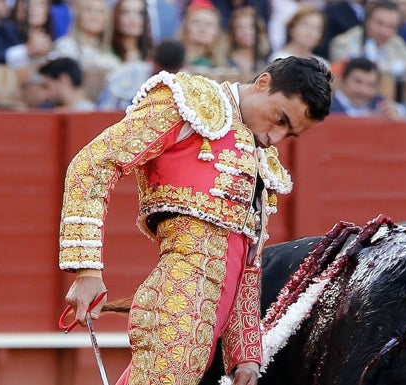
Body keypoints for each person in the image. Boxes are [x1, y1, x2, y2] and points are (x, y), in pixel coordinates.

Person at [58, 56, 332, 385]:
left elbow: (246, 261)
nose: (275, 136)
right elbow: (92, 164)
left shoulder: (259, 163)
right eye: (279, 118)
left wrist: (245, 353)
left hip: (204, 328)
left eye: (289, 133)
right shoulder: (191, 104)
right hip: (175, 306)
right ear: (262, 83)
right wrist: (87, 270)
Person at [330, 0, 406, 80]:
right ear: (367, 20)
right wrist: (401, 68)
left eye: (391, 27)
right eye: (380, 24)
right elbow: (357, 72)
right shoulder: (342, 43)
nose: (384, 31)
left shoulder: (395, 41)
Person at [97, 39, 186, 110]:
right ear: (151, 60)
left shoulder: (185, 85)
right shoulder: (124, 75)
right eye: (160, 71)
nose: (163, 77)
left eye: (169, 73)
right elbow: (104, 110)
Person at [330, 56, 406, 120]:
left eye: (371, 85)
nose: (364, 90)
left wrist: (397, 111)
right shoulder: (325, 105)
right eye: (358, 82)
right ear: (343, 80)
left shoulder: (378, 103)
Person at [5, 0, 55, 69]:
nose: (34, 8)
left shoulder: (57, 44)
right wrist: (27, 50)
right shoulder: (6, 33)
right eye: (29, 4)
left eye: (39, 4)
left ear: (48, 9)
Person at [178, 0, 225, 70]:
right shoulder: (174, 61)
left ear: (216, 32)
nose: (202, 28)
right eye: (196, 22)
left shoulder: (224, 66)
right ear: (186, 27)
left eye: (208, 24)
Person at [223, 6, 270, 75]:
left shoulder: (266, 62)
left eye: (252, 26)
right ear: (233, 33)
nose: (247, 32)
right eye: (240, 27)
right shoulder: (224, 62)